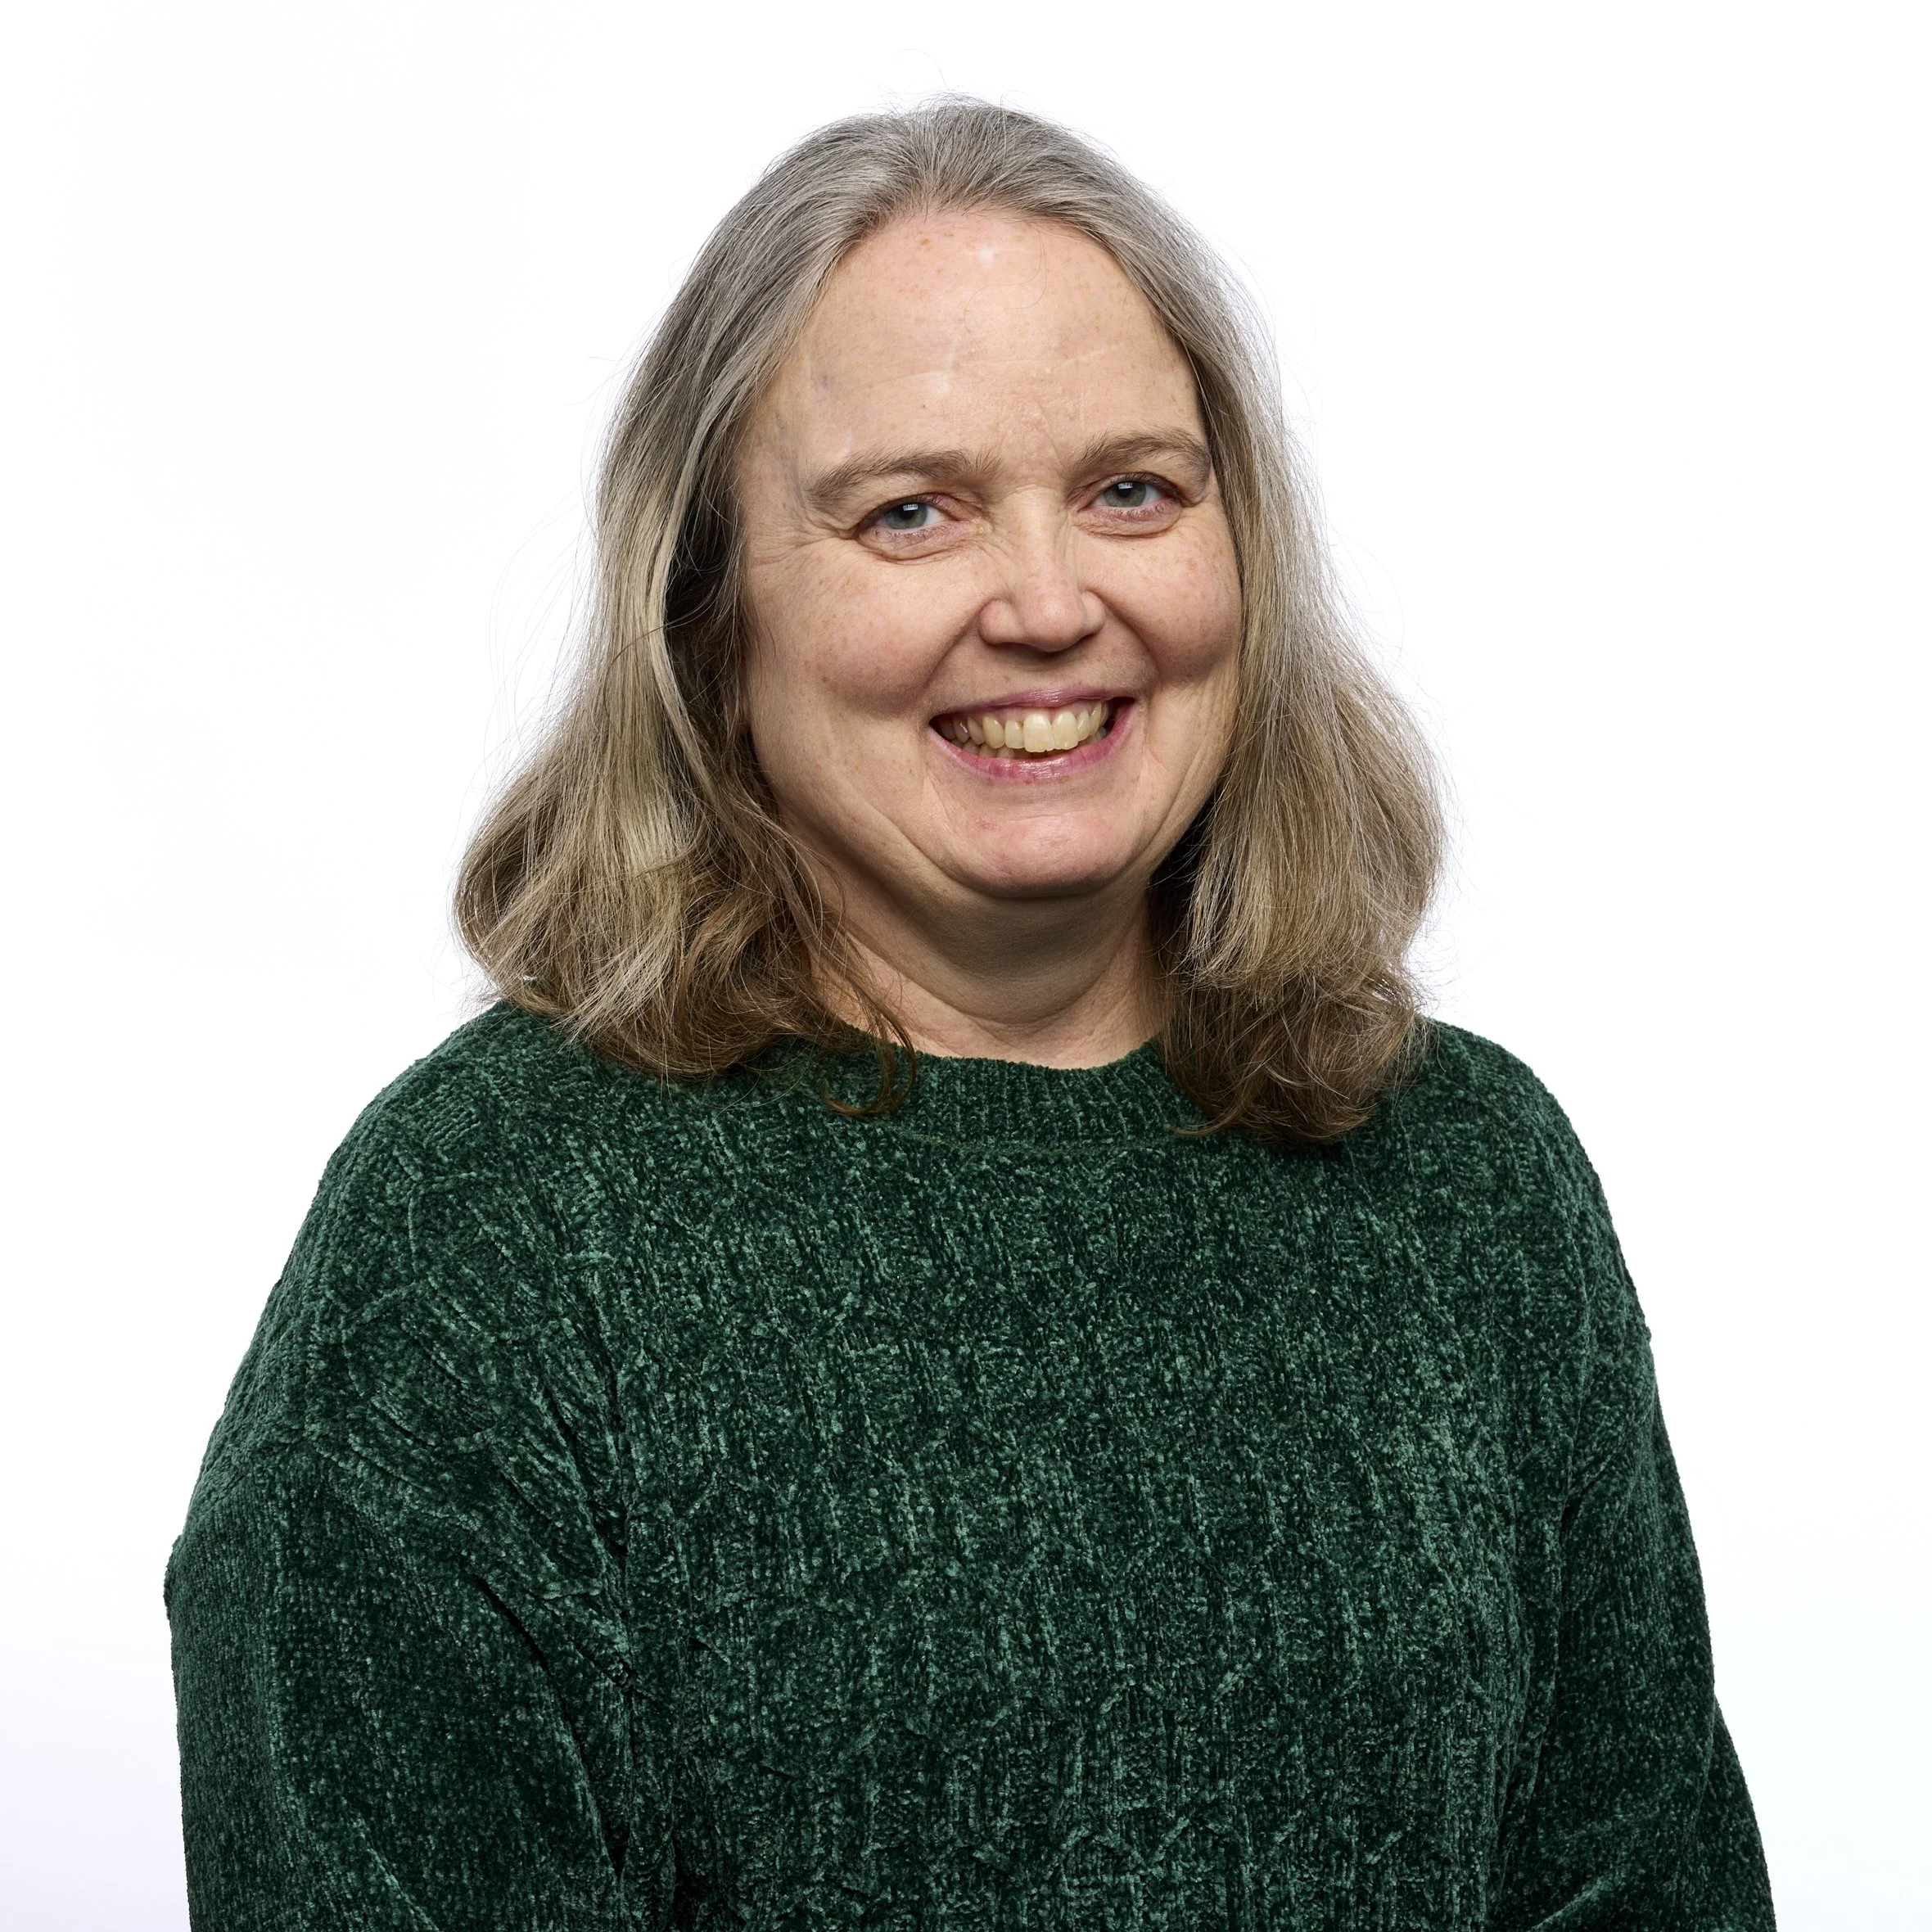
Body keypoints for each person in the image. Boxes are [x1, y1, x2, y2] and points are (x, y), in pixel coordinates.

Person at [166, 98, 1774, 1930]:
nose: (1045, 601)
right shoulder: (485, 1244)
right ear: (709, 614)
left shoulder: (1468, 1179)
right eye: (911, 510)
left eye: (1131, 491)